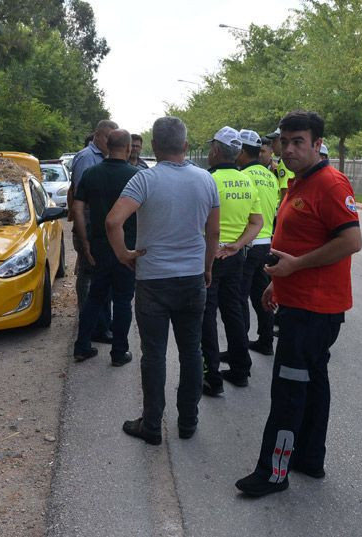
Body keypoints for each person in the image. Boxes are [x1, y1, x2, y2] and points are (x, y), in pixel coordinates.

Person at [235, 111, 362, 497]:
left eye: (298, 142)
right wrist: (279, 282)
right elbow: (297, 242)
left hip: (315, 310)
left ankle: (274, 472)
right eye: (284, 142)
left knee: (289, 390)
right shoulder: (298, 181)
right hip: (299, 303)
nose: (288, 149)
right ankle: (310, 457)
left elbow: (351, 241)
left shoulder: (330, 184)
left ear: (317, 143)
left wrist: (295, 268)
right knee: (313, 383)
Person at [106, 116, 220, 445]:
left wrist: (123, 254)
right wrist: (207, 266)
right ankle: (188, 421)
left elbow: (113, 221)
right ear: (185, 146)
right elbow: (212, 232)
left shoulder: (144, 180)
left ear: (154, 147)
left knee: (154, 354)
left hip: (153, 280)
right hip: (191, 278)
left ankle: (152, 424)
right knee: (191, 351)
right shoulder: (205, 180)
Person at [202, 126, 263, 396]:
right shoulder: (248, 181)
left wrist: (212, 252)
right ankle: (240, 370)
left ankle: (211, 376)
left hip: (210, 257)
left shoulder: (206, 180)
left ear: (216, 150)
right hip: (235, 256)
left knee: (207, 316)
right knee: (233, 312)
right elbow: (257, 222)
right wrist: (237, 245)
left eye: (210, 147)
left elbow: (201, 224)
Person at [72, 129, 140, 366]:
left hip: (99, 245)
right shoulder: (137, 175)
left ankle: (81, 346)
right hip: (127, 247)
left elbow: (78, 210)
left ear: (107, 146)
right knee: (123, 300)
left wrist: (85, 242)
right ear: (129, 148)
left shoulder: (91, 174)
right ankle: (119, 353)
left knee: (95, 297)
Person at [69, 119, 118, 342]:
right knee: (91, 275)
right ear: (97, 136)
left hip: (97, 225)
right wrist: (84, 235)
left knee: (98, 275)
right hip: (88, 226)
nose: (110, 142)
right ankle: (91, 327)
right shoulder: (87, 158)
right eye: (108, 138)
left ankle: (98, 324)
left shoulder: (102, 157)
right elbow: (81, 198)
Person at [235, 129, 279, 356]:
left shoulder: (244, 176)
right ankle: (266, 340)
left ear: (242, 151)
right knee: (261, 294)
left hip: (248, 244)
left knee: (239, 297)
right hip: (266, 244)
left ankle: (240, 348)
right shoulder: (270, 176)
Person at [266, 127, 295, 203]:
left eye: (274, 141)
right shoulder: (288, 160)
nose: (272, 145)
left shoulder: (284, 163)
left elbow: (285, 190)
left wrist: (281, 212)